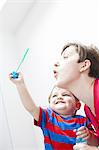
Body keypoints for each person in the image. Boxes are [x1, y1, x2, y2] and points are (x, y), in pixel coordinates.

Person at [9, 73, 98, 150]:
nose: (59, 97)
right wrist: (20, 84)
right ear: (50, 104)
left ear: (77, 105)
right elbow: (31, 108)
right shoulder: (48, 117)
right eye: (54, 96)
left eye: (65, 94)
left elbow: (96, 143)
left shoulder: (84, 121)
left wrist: (89, 135)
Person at [53, 42, 99, 149]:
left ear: (84, 65)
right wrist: (91, 138)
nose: (55, 63)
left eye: (65, 57)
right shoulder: (88, 109)